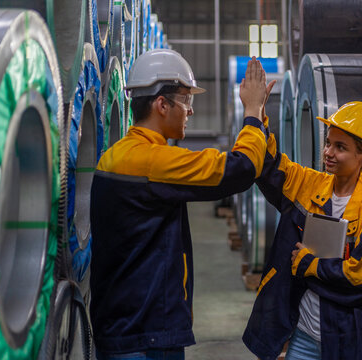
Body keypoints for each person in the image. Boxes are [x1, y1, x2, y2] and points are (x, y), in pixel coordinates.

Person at [89, 51, 274, 360]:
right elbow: (239, 170)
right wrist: (253, 112)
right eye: (186, 101)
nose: (190, 111)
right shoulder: (153, 162)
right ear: (162, 105)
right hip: (146, 335)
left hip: (120, 324)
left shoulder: (116, 154)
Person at [243, 101, 362, 360]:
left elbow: (359, 278)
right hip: (303, 335)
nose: (328, 152)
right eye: (328, 142)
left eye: (340, 147)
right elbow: (270, 167)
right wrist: (258, 116)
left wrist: (309, 265)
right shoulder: (308, 185)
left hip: (345, 339)